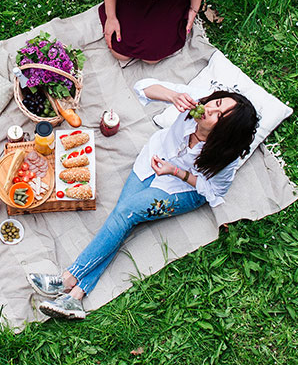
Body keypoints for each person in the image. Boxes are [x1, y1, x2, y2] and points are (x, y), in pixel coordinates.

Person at [28, 84, 257, 319]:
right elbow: (142, 87)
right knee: (124, 217)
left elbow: (214, 192)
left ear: (225, 133)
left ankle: (67, 279)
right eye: (217, 104)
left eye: (219, 117)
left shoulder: (225, 157)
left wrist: (177, 172)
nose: (209, 110)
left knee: (127, 212)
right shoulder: (192, 104)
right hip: (151, 160)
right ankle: (75, 297)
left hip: (181, 189)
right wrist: (173, 96)